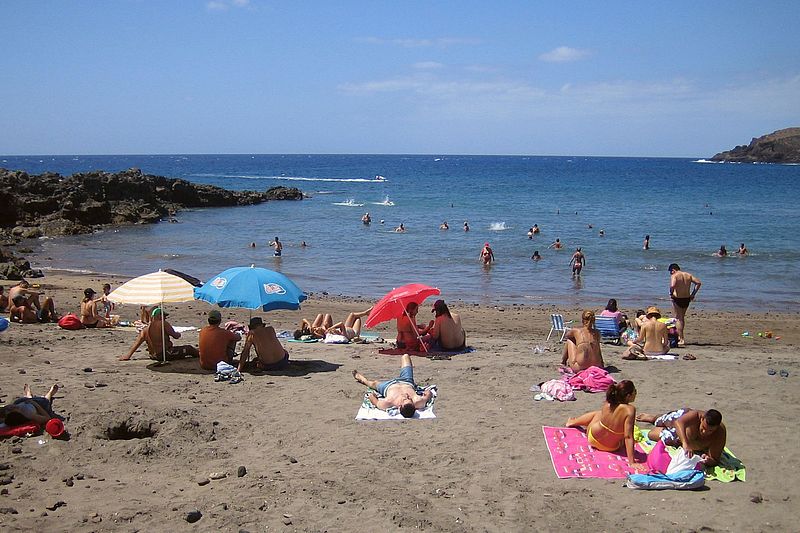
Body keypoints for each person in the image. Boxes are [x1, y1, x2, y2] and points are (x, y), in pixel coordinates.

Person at [566, 380, 645, 470]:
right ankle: (574, 422)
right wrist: (632, 462)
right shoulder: (630, 410)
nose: (636, 394)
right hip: (611, 447)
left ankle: (573, 422)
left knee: (598, 414)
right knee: (603, 418)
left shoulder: (609, 403)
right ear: (628, 396)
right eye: (635, 391)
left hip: (592, 437)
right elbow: (628, 436)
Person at [352, 354, 434, 418]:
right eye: (409, 398)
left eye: (405, 399)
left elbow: (373, 399)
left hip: (387, 386)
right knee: (405, 356)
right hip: (406, 381)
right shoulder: (418, 401)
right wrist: (425, 394)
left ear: (399, 406)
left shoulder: (388, 403)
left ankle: (361, 378)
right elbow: (428, 392)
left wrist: (373, 395)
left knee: (373, 384)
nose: (407, 396)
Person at [636, 408, 726, 466]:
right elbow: (679, 422)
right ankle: (653, 418)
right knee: (661, 421)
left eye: (710, 431)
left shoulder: (720, 433)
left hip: (681, 439)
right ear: (702, 419)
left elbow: (715, 459)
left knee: (652, 434)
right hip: (681, 421)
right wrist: (685, 443)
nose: (705, 432)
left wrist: (708, 460)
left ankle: (665, 430)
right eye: (703, 428)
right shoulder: (696, 415)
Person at [120, 307, 199, 361]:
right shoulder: (163, 324)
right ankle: (202, 355)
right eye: (163, 316)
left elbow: (137, 343)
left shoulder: (145, 330)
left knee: (188, 349)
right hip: (165, 354)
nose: (165, 318)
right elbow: (176, 336)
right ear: (158, 316)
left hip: (153, 356)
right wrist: (178, 334)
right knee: (189, 349)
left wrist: (128, 355)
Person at [669, 263, 701, 346]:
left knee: (678, 318)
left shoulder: (675, 275)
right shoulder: (688, 275)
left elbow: (672, 285)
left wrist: (671, 293)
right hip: (686, 298)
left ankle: (681, 339)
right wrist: (693, 294)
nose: (670, 274)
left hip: (677, 298)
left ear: (673, 270)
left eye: (670, 272)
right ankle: (680, 337)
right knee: (681, 318)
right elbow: (698, 283)